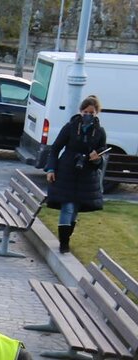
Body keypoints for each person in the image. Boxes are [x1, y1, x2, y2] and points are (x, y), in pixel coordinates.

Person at [44, 94, 107, 254]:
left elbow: (101, 157)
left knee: (75, 209)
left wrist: (95, 159)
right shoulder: (70, 127)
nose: (88, 115)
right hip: (67, 171)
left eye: (91, 113)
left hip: (85, 175)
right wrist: (51, 169)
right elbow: (55, 148)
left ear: (96, 113)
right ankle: (64, 243)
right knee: (68, 207)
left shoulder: (99, 132)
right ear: (80, 111)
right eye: (85, 112)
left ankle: (66, 238)